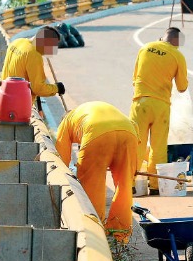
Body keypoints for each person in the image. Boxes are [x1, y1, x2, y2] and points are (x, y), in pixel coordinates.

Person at [55, 101, 138, 242]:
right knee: (124, 186)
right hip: (129, 133)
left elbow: (60, 157)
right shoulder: (87, 110)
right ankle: (121, 235)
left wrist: (64, 175)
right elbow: (132, 128)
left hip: (96, 134)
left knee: (92, 186)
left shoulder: (67, 121)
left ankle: (95, 233)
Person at [130, 27, 188, 194]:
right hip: (161, 106)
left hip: (140, 102)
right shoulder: (177, 55)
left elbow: (135, 79)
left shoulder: (145, 48)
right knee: (158, 147)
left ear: (163, 37)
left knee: (136, 144)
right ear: (177, 41)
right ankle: (155, 186)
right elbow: (182, 87)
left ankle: (130, 184)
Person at [0, 26, 64, 104]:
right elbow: (38, 88)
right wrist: (57, 88)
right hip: (15, 107)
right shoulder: (34, 54)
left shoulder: (18, 42)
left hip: (2, 100)